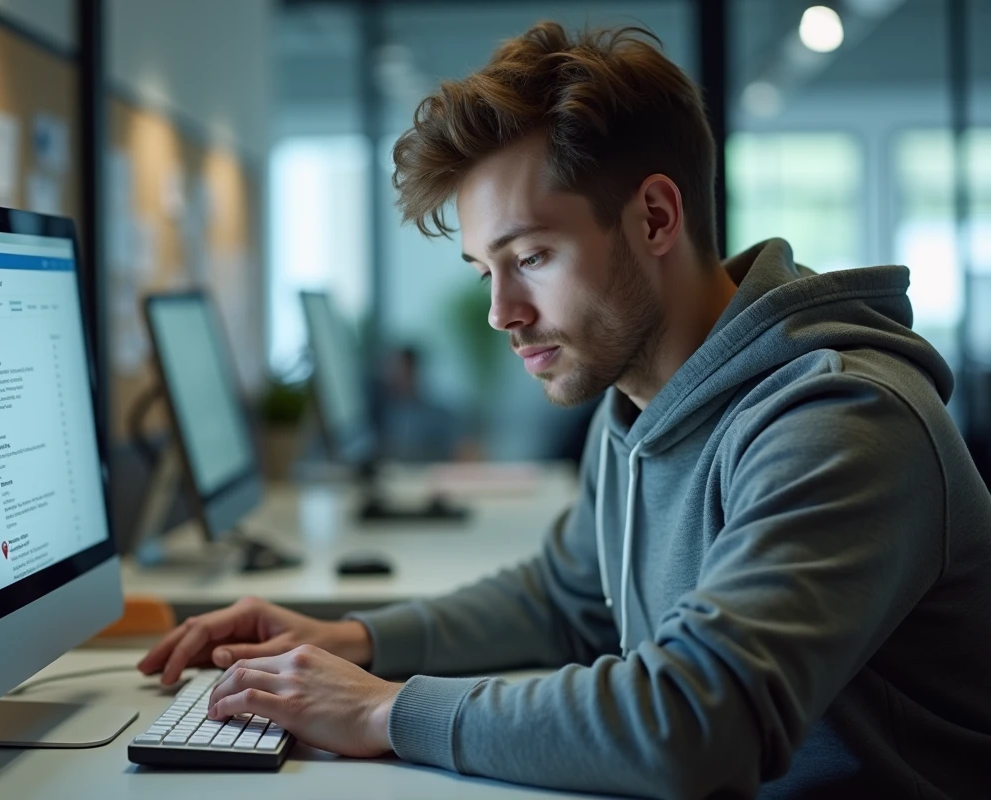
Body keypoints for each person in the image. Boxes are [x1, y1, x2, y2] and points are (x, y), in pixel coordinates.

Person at [138, 22, 991, 798]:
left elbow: (695, 722)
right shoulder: (637, 401)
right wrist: (353, 639)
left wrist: (382, 711)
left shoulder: (841, 422)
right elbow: (566, 599)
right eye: (486, 270)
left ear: (655, 217)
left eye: (532, 256)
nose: (501, 313)